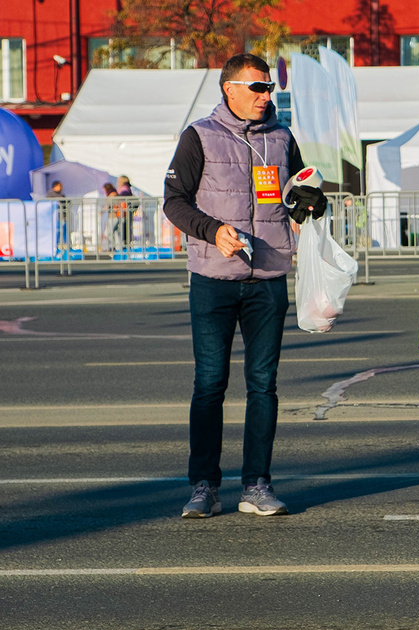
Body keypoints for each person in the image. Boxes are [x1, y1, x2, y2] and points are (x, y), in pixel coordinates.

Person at [163, 53, 326, 519]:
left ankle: (257, 484)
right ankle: (203, 486)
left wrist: (311, 205)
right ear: (229, 89)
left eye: (269, 87)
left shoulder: (281, 136)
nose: (265, 95)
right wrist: (213, 230)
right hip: (213, 279)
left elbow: (299, 196)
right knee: (210, 385)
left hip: (269, 279)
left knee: (263, 385)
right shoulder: (199, 136)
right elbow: (173, 201)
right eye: (257, 87)